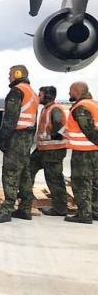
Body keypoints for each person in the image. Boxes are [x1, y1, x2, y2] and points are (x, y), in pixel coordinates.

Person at [0, 65, 38, 223]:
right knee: (24, 174)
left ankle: (7, 210)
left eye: (11, 74)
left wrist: (3, 138)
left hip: (16, 137)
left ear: (18, 74)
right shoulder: (32, 92)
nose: (9, 77)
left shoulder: (17, 91)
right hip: (27, 137)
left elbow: (10, 118)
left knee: (10, 173)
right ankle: (25, 208)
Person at [23, 86, 69, 216]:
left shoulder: (55, 109)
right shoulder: (46, 109)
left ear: (48, 96)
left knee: (54, 179)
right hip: (43, 149)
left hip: (53, 150)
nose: (38, 97)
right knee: (28, 169)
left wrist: (54, 135)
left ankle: (60, 208)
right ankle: (26, 198)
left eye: (41, 95)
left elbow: (58, 125)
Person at [63, 81, 98, 224]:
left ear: (77, 91)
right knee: (94, 182)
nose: (69, 93)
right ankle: (95, 211)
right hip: (94, 151)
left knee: (80, 182)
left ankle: (84, 214)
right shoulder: (94, 104)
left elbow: (88, 130)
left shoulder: (81, 107)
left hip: (84, 152)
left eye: (71, 90)